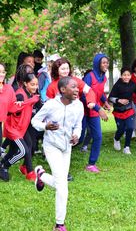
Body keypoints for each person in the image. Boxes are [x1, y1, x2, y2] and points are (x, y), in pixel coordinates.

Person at [32, 76, 84, 231]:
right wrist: (46, 126)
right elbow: (35, 121)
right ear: (62, 90)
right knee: (62, 185)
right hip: (51, 146)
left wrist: (77, 135)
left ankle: (41, 175)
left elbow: (78, 125)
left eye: (77, 87)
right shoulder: (51, 105)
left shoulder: (79, 106)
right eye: (73, 87)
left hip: (66, 147)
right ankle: (59, 224)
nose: (77, 89)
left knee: (60, 181)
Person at [0, 73, 40, 181]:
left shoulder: (31, 94)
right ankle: (5, 166)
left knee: (19, 149)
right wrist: (30, 101)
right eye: (32, 84)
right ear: (26, 84)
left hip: (21, 128)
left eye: (36, 84)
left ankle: (4, 164)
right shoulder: (20, 95)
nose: (35, 87)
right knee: (23, 151)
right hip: (13, 129)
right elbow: (12, 109)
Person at [82, 53, 110, 173]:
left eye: (107, 62)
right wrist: (99, 108)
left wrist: (105, 102)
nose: (106, 65)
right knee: (79, 137)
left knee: (97, 136)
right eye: (103, 62)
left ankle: (91, 164)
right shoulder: (89, 76)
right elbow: (84, 95)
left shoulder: (104, 77)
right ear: (97, 63)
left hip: (94, 110)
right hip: (83, 110)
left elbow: (100, 93)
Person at [109, 67, 136, 154]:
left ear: (131, 76)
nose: (126, 77)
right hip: (118, 111)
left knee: (130, 127)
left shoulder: (133, 84)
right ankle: (116, 138)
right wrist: (119, 100)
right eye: (124, 75)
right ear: (121, 76)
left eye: (128, 75)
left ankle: (126, 147)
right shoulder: (117, 85)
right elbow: (110, 98)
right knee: (121, 130)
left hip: (129, 109)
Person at [0, 63, 16, 156]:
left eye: (3, 72)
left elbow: (12, 105)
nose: (1, 74)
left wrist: (20, 103)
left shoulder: (8, 88)